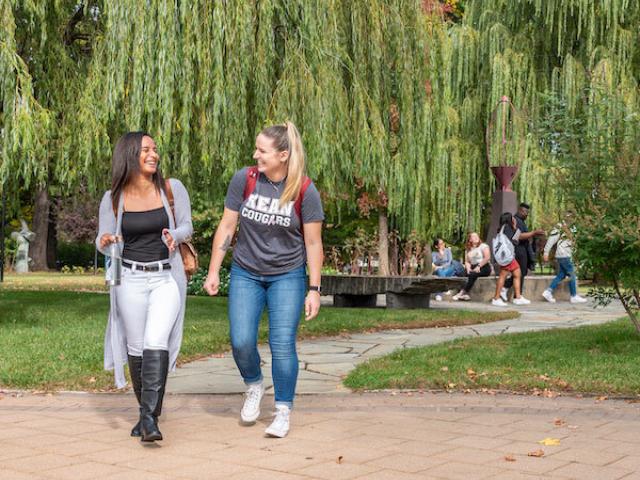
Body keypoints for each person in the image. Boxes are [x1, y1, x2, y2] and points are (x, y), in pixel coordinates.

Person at [203, 121, 324, 438]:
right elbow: (228, 225)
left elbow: (313, 243)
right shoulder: (245, 179)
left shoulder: (304, 190)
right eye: (256, 148)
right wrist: (214, 269)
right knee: (241, 340)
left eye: (262, 150)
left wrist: (314, 289)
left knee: (282, 344)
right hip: (246, 272)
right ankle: (254, 384)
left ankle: (283, 410)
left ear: (283, 154)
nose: (255, 154)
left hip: (287, 275)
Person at [96, 132, 193, 442]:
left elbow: (187, 226)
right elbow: (102, 240)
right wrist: (106, 241)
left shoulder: (171, 188)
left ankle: (150, 419)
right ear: (130, 155)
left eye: (155, 149)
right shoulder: (113, 198)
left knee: (156, 341)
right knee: (136, 349)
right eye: (146, 150)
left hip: (165, 278)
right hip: (130, 280)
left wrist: (174, 236)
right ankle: (145, 414)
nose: (154, 155)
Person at [501, 203, 544, 301]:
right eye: (525, 212)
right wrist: (533, 233)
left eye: (528, 212)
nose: (527, 214)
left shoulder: (520, 221)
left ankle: (514, 293)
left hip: (522, 250)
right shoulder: (517, 221)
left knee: (521, 273)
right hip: (519, 250)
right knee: (520, 272)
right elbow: (518, 236)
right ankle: (511, 292)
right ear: (520, 210)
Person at [542, 219, 587, 304]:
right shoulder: (560, 226)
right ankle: (573, 296)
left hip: (566, 255)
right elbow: (551, 239)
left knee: (561, 275)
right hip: (564, 254)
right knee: (572, 273)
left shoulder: (573, 227)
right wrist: (546, 252)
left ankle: (548, 292)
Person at [492, 213, 531, 306]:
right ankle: (496, 298)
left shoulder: (502, 228)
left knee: (517, 273)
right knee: (503, 275)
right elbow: (514, 241)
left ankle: (517, 297)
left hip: (506, 256)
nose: (514, 219)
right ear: (510, 219)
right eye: (512, 218)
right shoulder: (507, 228)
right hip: (507, 257)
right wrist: (515, 229)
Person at [452, 232, 492, 301]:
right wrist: (468, 268)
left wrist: (479, 266)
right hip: (473, 266)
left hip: (484, 266)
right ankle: (464, 294)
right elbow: (467, 261)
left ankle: (462, 293)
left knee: (472, 274)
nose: (476, 237)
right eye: (473, 236)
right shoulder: (468, 249)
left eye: (477, 236)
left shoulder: (483, 246)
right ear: (470, 240)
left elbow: (487, 257)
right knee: (462, 273)